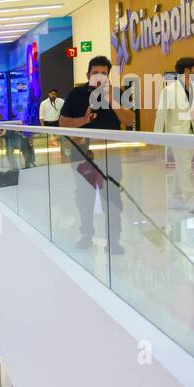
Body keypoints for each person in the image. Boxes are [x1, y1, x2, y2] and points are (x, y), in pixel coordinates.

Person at [60, 55, 133, 254]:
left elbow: (129, 120)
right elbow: (63, 123)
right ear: (87, 74)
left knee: (112, 198)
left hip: (110, 156)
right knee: (84, 197)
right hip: (83, 156)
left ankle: (113, 239)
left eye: (103, 73)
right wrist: (83, 120)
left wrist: (110, 98)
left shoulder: (117, 93)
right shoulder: (76, 94)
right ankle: (86, 234)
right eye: (95, 73)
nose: (99, 77)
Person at [156, 55, 194, 202]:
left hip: (192, 131)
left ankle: (175, 196)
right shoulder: (169, 91)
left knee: (183, 165)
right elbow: (161, 113)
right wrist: (157, 135)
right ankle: (189, 198)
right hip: (176, 133)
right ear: (187, 70)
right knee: (184, 165)